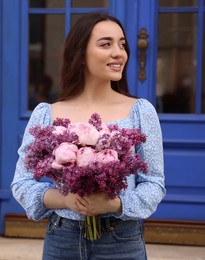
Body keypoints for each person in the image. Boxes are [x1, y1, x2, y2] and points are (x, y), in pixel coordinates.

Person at [11, 12, 165, 260]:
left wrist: (114, 204)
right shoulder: (46, 115)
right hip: (62, 240)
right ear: (80, 54)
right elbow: (22, 183)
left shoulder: (140, 111)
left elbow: (154, 183)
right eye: (106, 44)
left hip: (121, 241)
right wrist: (65, 199)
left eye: (122, 44)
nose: (119, 53)